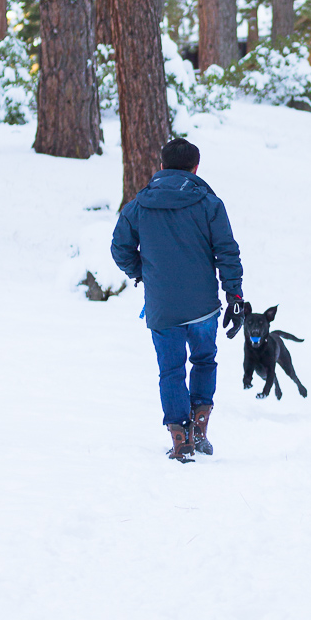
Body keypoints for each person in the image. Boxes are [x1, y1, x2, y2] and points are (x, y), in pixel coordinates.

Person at [110, 136, 244, 463]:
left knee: (170, 370)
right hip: (203, 307)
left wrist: (141, 272)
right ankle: (199, 428)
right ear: (195, 168)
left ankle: (180, 438)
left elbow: (119, 248)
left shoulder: (139, 205)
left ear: (160, 166)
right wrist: (235, 294)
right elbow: (226, 251)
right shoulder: (210, 204)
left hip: (162, 306)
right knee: (203, 360)